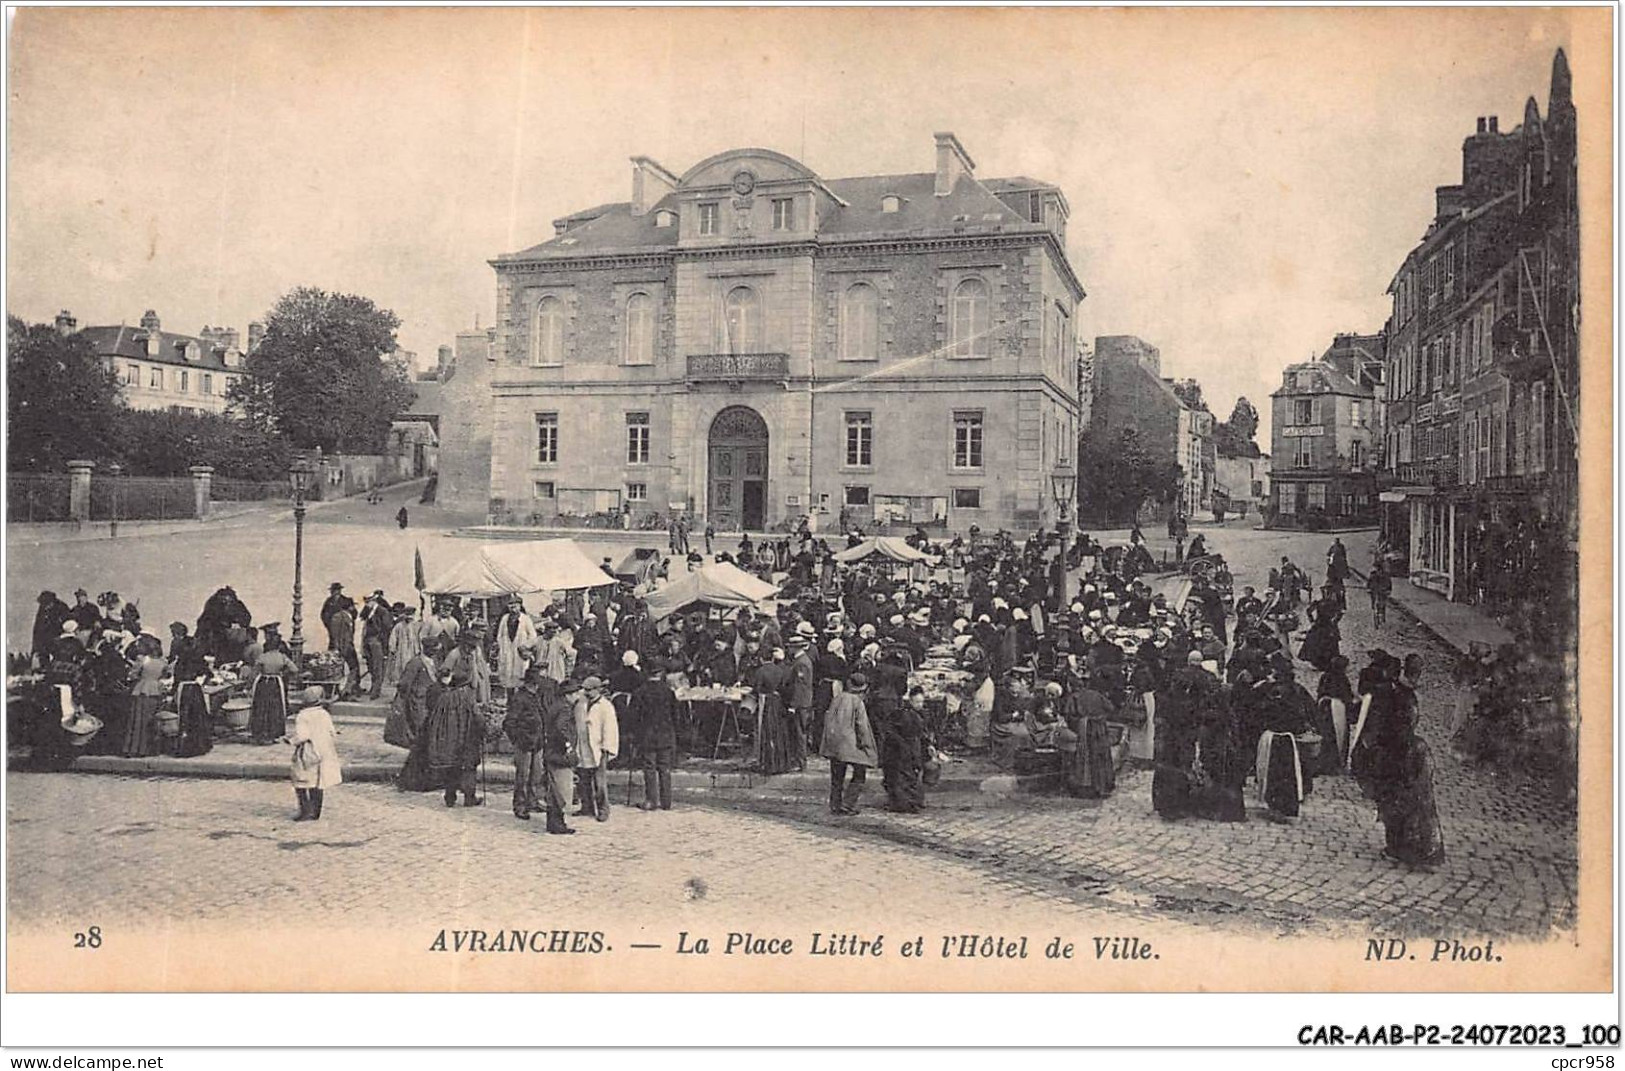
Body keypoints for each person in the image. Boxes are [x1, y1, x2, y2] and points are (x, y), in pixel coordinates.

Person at [421, 666, 485, 807]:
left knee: (452, 767)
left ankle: (450, 797)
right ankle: (469, 797)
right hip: (467, 738)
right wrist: (483, 729)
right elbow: (478, 718)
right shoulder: (468, 698)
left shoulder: (444, 697)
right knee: (469, 767)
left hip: (450, 740)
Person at [821, 671, 878, 816]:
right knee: (859, 774)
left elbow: (828, 719)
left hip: (834, 743)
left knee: (837, 777)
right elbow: (862, 727)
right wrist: (868, 748)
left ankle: (835, 804)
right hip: (850, 744)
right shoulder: (857, 702)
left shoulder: (837, 698)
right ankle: (848, 804)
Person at [289, 686, 342, 821]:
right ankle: (316, 811)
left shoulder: (303, 716)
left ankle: (305, 810)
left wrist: (291, 740)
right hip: (324, 749)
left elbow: (302, 735)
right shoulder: (324, 714)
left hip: (309, 750)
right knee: (319, 781)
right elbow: (332, 732)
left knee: (301, 780)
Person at [502, 664, 547, 820]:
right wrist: (518, 740)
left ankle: (532, 801)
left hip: (538, 742)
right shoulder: (519, 698)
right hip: (524, 744)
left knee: (536, 775)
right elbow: (509, 723)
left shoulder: (537, 696)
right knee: (522, 776)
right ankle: (520, 805)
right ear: (531, 683)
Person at [633, 663, 678, 810]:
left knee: (649, 767)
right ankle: (666, 802)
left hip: (647, 735)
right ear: (660, 674)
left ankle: (651, 800)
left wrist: (633, 733)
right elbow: (675, 714)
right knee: (665, 767)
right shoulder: (669, 692)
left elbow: (633, 716)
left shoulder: (640, 692)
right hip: (665, 734)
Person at [539, 679, 580, 834]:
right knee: (561, 789)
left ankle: (554, 822)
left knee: (554, 788)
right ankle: (558, 824)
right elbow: (560, 728)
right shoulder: (565, 708)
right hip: (559, 753)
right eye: (575, 693)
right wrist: (568, 746)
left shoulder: (555, 705)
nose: (577, 696)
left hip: (551, 751)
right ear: (568, 694)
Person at [576, 676, 618, 821]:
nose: (586, 693)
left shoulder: (605, 706)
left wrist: (607, 747)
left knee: (599, 781)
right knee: (583, 779)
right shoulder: (580, 703)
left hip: (598, 747)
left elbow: (610, 729)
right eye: (585, 690)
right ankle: (586, 807)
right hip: (582, 746)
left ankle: (603, 809)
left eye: (589, 690)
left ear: (597, 690)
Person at [883, 688, 928, 813]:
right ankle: (907, 803)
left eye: (921, 702)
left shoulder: (920, 714)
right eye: (917, 702)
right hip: (903, 749)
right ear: (911, 701)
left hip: (912, 748)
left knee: (911, 776)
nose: (920, 705)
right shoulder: (902, 714)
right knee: (905, 777)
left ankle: (910, 802)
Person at [120, 636, 167, 757]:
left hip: (142, 688)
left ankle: (134, 748)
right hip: (156, 689)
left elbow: (133, 675)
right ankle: (150, 748)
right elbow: (165, 675)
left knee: (137, 720)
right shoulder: (163, 662)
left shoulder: (142, 659)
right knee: (151, 720)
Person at [247, 635, 295, 745]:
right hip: (276, 683)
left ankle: (260, 733)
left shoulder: (262, 657)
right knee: (275, 708)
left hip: (263, 683)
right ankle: (273, 734)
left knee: (261, 707)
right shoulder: (282, 657)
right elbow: (294, 669)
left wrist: (248, 686)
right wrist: (282, 673)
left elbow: (254, 673)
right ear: (278, 645)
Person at [494, 597, 537, 699]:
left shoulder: (525, 619)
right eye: (510, 605)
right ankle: (510, 698)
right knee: (508, 675)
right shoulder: (505, 618)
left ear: (520, 606)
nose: (513, 608)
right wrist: (501, 647)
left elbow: (533, 636)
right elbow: (499, 635)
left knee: (520, 674)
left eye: (515, 605)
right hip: (507, 651)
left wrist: (525, 646)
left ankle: (520, 699)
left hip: (520, 653)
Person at [360, 592, 394, 700]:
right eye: (366, 601)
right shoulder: (368, 611)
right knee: (371, 666)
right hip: (368, 642)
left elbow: (387, 629)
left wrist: (384, 646)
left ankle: (376, 690)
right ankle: (373, 687)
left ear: (374, 601)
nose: (366, 604)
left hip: (377, 642)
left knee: (377, 667)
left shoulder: (382, 611)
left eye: (368, 601)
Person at [32, 591, 71, 667]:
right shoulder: (43, 609)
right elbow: (37, 628)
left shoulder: (62, 607)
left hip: (60, 640)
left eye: (46, 604)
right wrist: (35, 647)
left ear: (52, 601)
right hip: (45, 641)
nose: (45, 606)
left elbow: (68, 625)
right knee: (43, 657)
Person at [1367, 561, 1392, 626]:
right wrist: (1368, 588)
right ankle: (1376, 614)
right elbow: (1369, 582)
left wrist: (1388, 590)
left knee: (1382, 603)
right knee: (1374, 603)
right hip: (1374, 591)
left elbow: (1389, 583)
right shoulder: (1373, 575)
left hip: (1382, 591)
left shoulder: (1385, 575)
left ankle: (1382, 614)